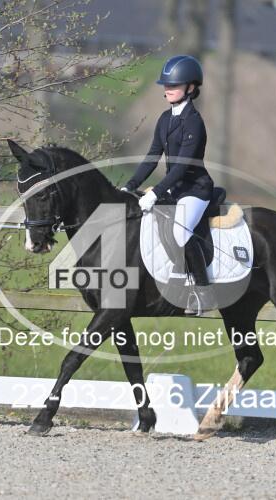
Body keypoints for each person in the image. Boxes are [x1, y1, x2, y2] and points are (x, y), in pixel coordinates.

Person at [120, 54, 216, 316]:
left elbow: (182, 166)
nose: (168, 88)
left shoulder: (194, 122)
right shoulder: (165, 119)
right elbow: (152, 157)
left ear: (191, 88)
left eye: (174, 84)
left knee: (180, 232)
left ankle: (203, 291)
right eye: (166, 84)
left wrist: (156, 192)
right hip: (174, 189)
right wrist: (130, 185)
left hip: (195, 190)